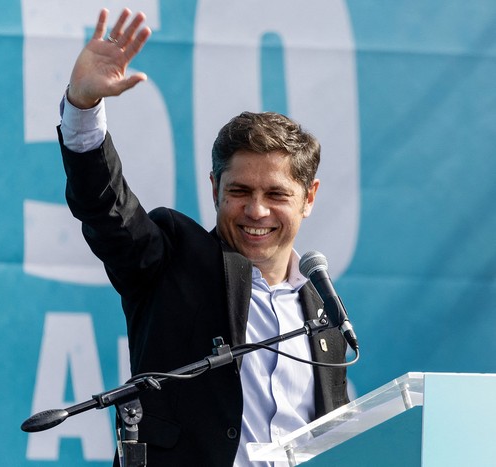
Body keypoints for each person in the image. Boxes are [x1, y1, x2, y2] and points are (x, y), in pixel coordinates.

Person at [57, 8, 349, 466]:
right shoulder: (173, 260)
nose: (256, 210)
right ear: (214, 188)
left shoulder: (324, 315)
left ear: (308, 198)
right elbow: (107, 210)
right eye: (239, 191)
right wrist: (82, 110)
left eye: (276, 194)